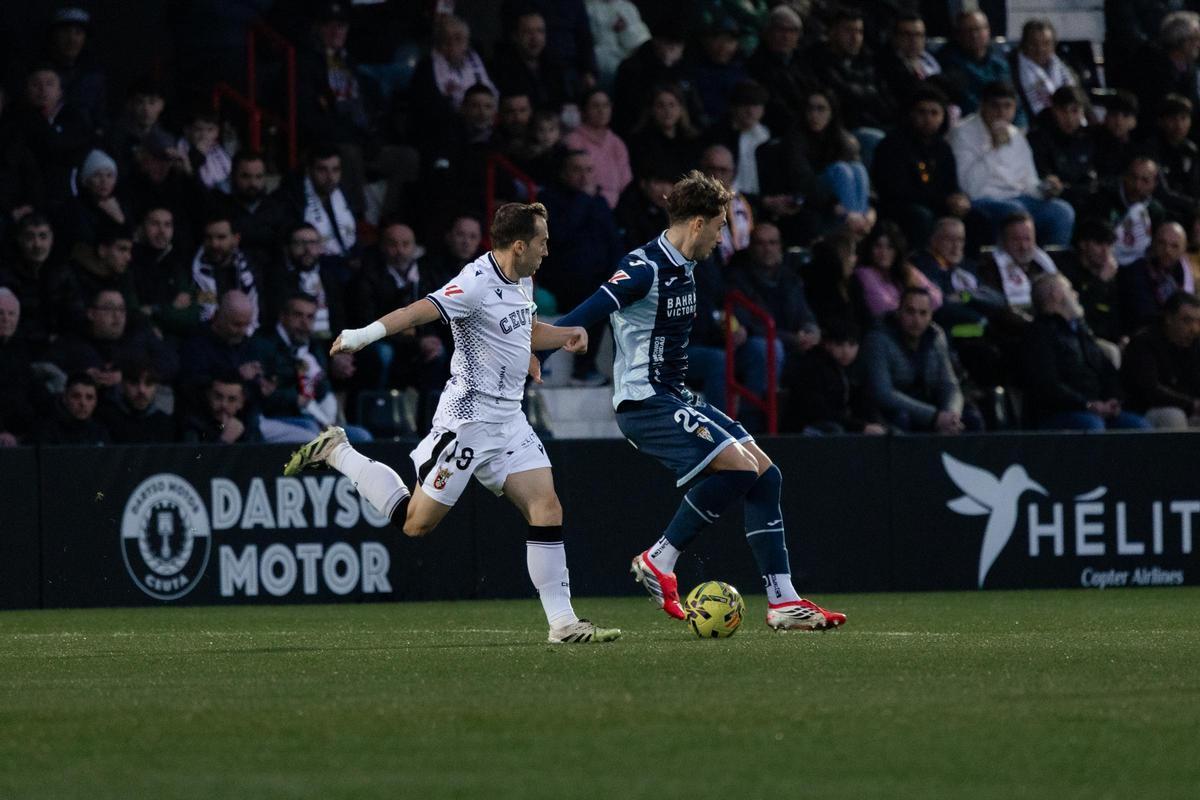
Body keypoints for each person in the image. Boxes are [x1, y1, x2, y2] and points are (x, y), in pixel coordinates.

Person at [283, 202, 620, 645]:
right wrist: (363, 335)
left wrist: (563, 335)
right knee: (416, 524)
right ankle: (337, 451)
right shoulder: (474, 283)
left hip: (509, 421)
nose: (547, 250)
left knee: (547, 508)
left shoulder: (522, 277)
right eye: (542, 242)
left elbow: (524, 328)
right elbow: (416, 312)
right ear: (519, 246)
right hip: (468, 423)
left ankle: (563, 624)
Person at [546, 170, 846, 631]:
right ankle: (659, 558)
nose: (722, 237)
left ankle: (783, 601)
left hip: (675, 395)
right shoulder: (643, 268)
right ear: (698, 223)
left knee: (766, 476)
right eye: (720, 226)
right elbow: (582, 314)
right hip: (645, 402)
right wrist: (536, 353)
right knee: (740, 470)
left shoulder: (687, 265)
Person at [948, 81, 1075, 247]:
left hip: (1020, 199)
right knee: (1015, 212)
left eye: (1007, 107)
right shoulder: (962, 132)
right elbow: (970, 188)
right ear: (983, 106)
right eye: (995, 106)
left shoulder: (1016, 135)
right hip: (984, 200)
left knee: (1062, 211)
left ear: (1015, 109)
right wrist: (993, 149)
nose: (1001, 113)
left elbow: (1029, 183)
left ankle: (1050, 261)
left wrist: (1046, 189)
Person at [1022, 273, 1151, 430]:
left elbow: (1106, 370)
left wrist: (1113, 399)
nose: (1075, 294)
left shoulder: (1081, 332)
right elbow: (1048, 386)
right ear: (1056, 294)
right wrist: (1087, 405)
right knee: (1092, 426)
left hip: (1095, 409)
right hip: (1058, 413)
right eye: (1070, 289)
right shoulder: (1039, 334)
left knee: (1138, 426)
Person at [862, 287, 975, 434]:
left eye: (923, 313)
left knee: (972, 418)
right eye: (910, 312)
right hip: (896, 411)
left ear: (931, 315)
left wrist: (951, 416)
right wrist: (934, 416)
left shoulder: (936, 336)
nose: (917, 320)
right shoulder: (878, 339)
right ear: (898, 312)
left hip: (933, 407)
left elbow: (949, 384)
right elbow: (883, 393)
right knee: (901, 419)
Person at [872, 86, 970, 248]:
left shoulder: (943, 148)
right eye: (922, 112)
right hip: (901, 207)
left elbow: (950, 185)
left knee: (975, 216)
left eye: (934, 113)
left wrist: (959, 199)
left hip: (938, 205)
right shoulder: (893, 144)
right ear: (910, 114)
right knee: (921, 216)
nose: (928, 118)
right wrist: (943, 200)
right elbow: (896, 190)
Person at [782, 317, 884, 435]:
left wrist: (874, 423)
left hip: (838, 423)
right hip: (804, 428)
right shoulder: (812, 366)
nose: (846, 351)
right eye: (839, 345)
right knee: (835, 430)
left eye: (852, 345)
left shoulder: (853, 369)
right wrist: (859, 426)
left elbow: (863, 402)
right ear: (827, 344)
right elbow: (819, 411)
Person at [1122, 290, 1200, 428]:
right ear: (1169, 318)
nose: (1194, 329)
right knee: (1173, 416)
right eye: (1187, 321)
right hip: (1146, 409)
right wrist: (1191, 404)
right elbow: (1151, 390)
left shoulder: (1195, 343)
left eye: (1198, 322)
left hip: (1186, 407)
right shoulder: (1144, 342)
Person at [938, 10, 1025, 126]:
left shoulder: (1000, 63)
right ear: (958, 35)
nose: (974, 35)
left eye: (978, 29)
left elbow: (1014, 99)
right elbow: (969, 103)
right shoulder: (948, 62)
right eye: (968, 31)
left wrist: (1020, 127)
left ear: (988, 31)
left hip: (1006, 125)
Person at [1087, 157, 1168, 267]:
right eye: (1133, 178)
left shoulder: (1156, 211)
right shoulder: (1104, 198)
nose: (1137, 186)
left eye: (1145, 181)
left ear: (1154, 184)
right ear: (1125, 177)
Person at [1118, 221, 1196, 334]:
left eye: (1174, 246)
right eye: (1162, 243)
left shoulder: (1181, 274)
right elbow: (1144, 313)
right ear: (1153, 243)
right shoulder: (1136, 270)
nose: (1167, 250)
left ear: (1183, 251)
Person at [564, 88, 632, 208]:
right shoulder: (573, 140)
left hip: (617, 206)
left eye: (606, 106)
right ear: (584, 111)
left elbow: (625, 180)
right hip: (584, 204)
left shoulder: (617, 142)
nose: (601, 111)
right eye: (595, 106)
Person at [1011, 18, 1079, 120]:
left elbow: (1079, 98)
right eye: (1034, 44)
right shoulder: (1013, 70)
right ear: (1024, 44)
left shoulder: (1062, 66)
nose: (1040, 49)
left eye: (1046, 43)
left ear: (1054, 45)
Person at [97, 359, 175, 443]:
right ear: (122, 385)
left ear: (156, 387)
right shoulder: (105, 419)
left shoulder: (164, 423)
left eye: (148, 384)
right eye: (134, 383)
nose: (141, 390)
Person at [180, 373, 262, 444]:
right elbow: (194, 456)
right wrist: (224, 440)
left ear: (241, 402)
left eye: (232, 399)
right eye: (218, 397)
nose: (224, 405)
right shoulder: (194, 425)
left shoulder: (249, 423)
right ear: (208, 396)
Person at [38, 372, 110, 445]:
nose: (83, 403)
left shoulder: (100, 432)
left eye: (89, 398)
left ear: (95, 401)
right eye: (76, 396)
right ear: (65, 398)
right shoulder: (48, 431)